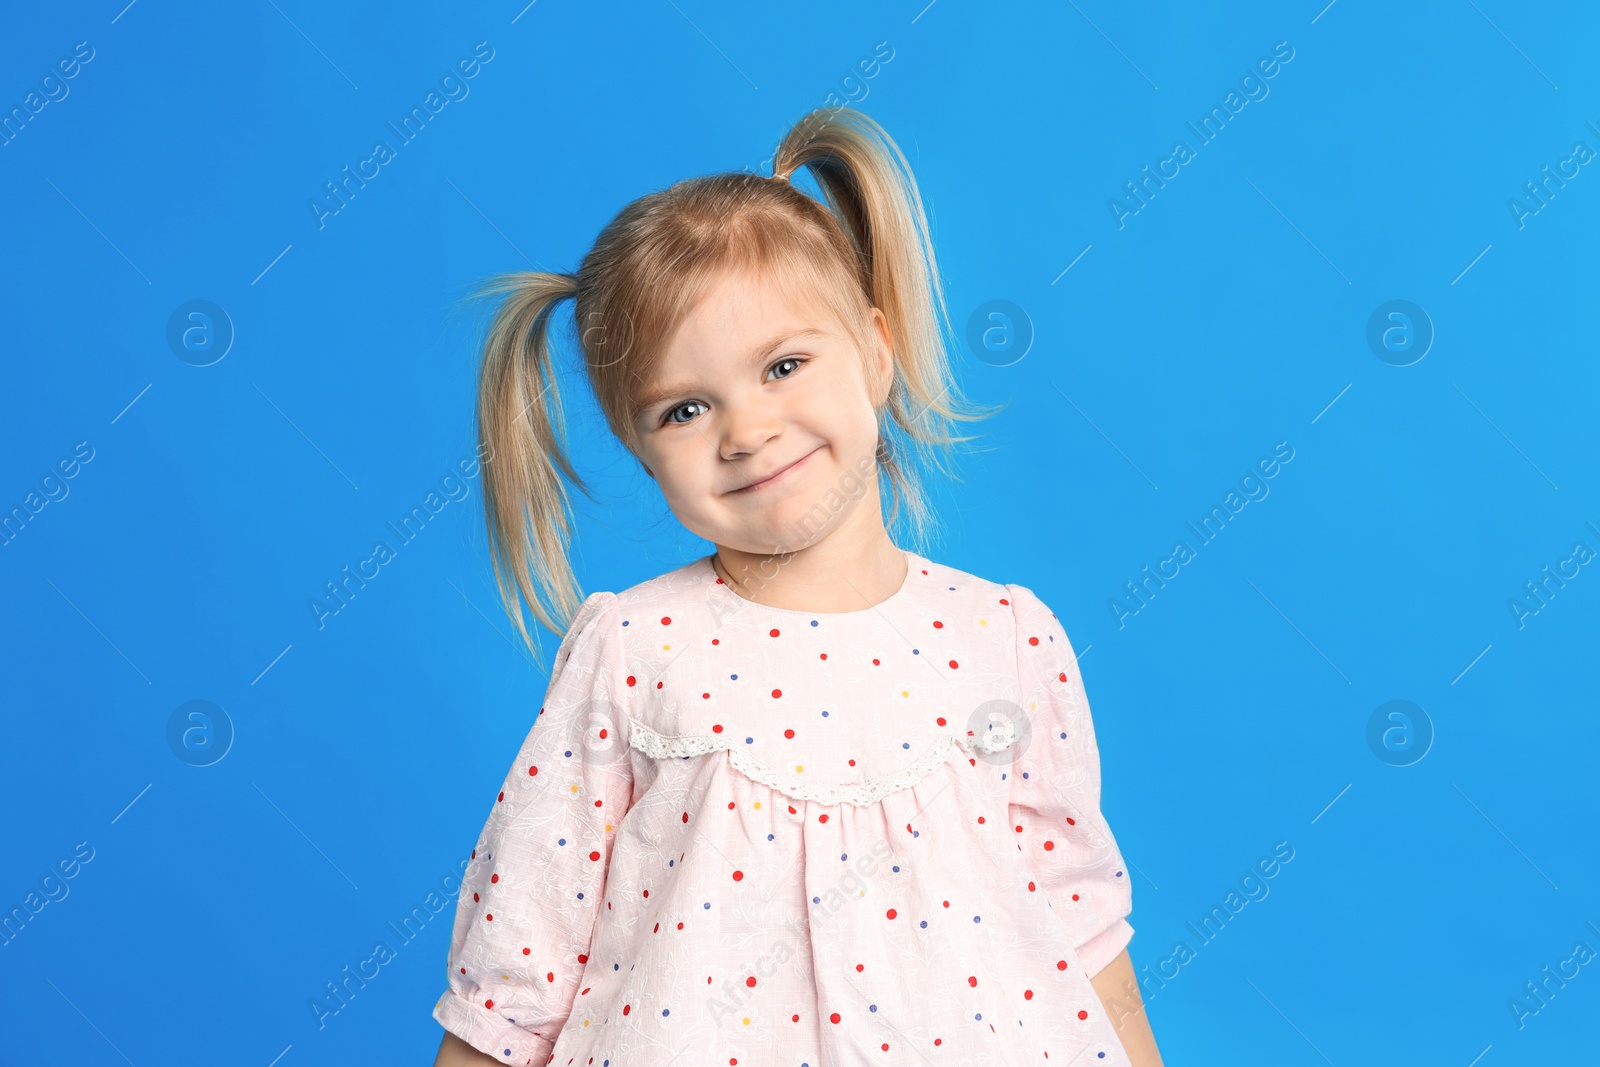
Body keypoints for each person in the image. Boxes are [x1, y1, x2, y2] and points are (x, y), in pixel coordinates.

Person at [431, 106, 1165, 1066]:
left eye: (783, 365)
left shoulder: (1006, 639)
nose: (746, 431)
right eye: (685, 408)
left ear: (874, 347)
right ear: (639, 451)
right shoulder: (635, 648)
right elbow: (518, 963)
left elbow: (1082, 922)